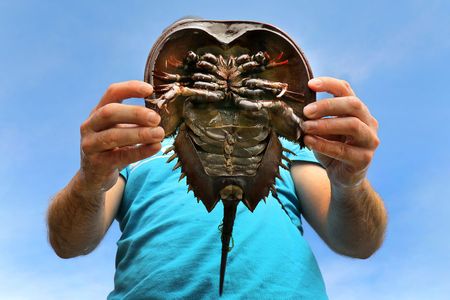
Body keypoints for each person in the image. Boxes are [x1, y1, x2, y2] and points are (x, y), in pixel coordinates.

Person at [47, 77, 387, 299]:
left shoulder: (289, 142)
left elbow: (359, 242)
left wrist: (351, 182)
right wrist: (89, 181)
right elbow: (69, 242)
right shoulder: (134, 150)